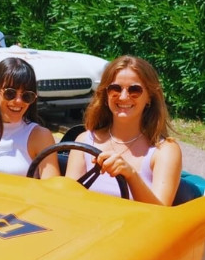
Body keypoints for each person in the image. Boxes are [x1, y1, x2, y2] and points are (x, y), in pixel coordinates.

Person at [64, 55, 182, 205]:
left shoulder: (164, 150)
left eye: (135, 90)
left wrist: (131, 175)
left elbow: (161, 211)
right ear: (106, 94)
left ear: (149, 97)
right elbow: (67, 199)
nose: (124, 97)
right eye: (115, 89)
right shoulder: (84, 141)